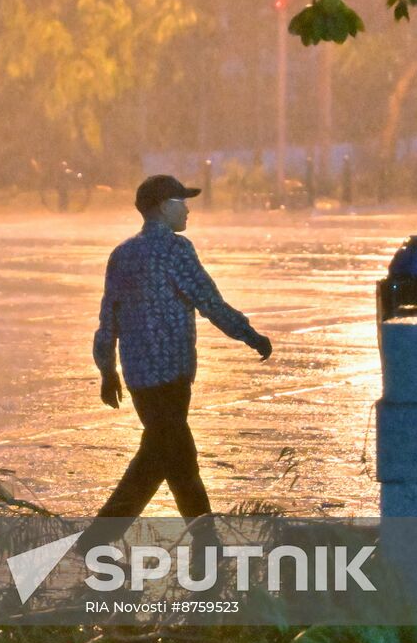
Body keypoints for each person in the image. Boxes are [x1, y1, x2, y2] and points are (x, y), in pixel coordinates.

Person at [77, 174, 273, 551]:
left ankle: (203, 544)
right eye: (181, 201)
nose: (187, 209)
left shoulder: (122, 254)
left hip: (139, 378)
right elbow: (209, 301)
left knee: (167, 458)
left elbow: (108, 319)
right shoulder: (175, 250)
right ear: (164, 207)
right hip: (171, 376)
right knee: (169, 458)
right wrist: (250, 335)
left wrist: (108, 370)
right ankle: (100, 542)